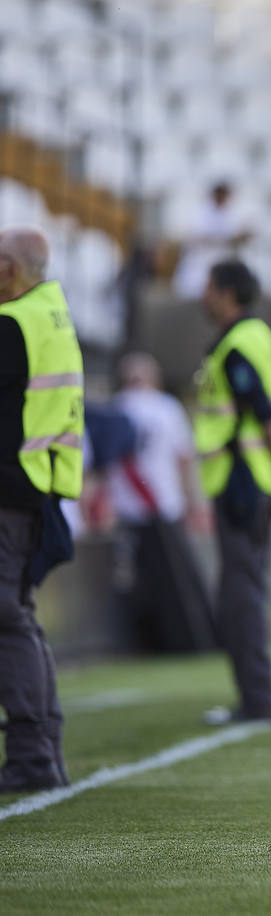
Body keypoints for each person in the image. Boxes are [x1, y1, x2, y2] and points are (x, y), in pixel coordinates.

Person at [195, 259, 271, 725]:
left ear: (226, 293)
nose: (201, 296)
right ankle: (255, 697)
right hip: (255, 480)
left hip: (241, 483)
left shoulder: (237, 345)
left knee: (240, 596)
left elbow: (266, 413)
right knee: (243, 591)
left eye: (207, 287)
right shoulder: (257, 337)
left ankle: (257, 701)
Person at [0, 227, 83, 793]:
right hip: (38, 486)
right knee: (18, 617)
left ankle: (33, 754)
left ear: (9, 268)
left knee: (6, 619)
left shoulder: (13, 323)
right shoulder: (53, 314)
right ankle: (43, 747)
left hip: (9, 488)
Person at [107, 353, 214, 653]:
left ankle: (149, 644)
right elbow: (184, 459)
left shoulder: (118, 408)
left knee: (141, 583)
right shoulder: (166, 408)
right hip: (161, 506)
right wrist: (192, 501)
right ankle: (192, 641)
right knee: (176, 582)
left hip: (133, 509)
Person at [172, 181, 254, 302]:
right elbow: (198, 235)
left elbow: (239, 233)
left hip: (223, 260)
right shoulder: (202, 213)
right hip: (202, 260)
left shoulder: (231, 213)